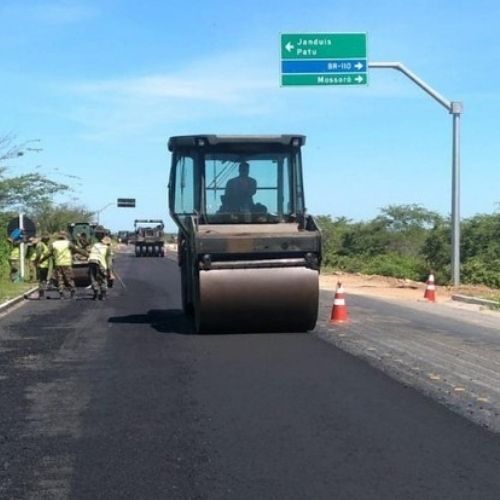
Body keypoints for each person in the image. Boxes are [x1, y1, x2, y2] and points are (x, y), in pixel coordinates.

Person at [41, 230, 87, 299]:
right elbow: (78, 250)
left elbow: (48, 254)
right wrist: (87, 255)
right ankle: (72, 292)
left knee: (60, 279)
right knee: (69, 279)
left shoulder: (54, 244)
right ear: (65, 236)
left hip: (58, 264)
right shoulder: (68, 243)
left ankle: (61, 294)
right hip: (67, 263)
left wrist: (41, 260)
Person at [88, 227, 113, 300]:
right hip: (99, 262)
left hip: (91, 261)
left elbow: (90, 252)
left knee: (93, 277)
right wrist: (109, 271)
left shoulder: (95, 245)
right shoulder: (107, 248)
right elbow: (109, 261)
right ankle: (103, 295)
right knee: (103, 278)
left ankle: (95, 293)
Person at [34, 233, 52, 299]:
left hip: (45, 265)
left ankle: (42, 293)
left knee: (43, 280)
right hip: (41, 265)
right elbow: (38, 254)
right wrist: (37, 261)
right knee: (41, 280)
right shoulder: (40, 245)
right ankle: (41, 294)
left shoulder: (45, 245)